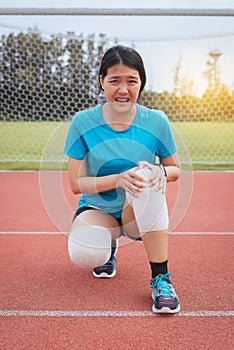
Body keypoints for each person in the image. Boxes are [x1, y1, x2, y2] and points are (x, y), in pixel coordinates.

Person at [64, 45, 181, 314]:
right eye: (115, 80)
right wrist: (119, 179)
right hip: (98, 208)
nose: (123, 89)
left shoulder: (156, 120)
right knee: (85, 254)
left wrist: (158, 172)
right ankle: (107, 248)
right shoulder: (83, 121)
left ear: (142, 83)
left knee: (147, 175)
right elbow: (75, 184)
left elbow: (175, 170)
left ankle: (161, 279)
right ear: (102, 81)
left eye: (132, 81)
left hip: (136, 211)